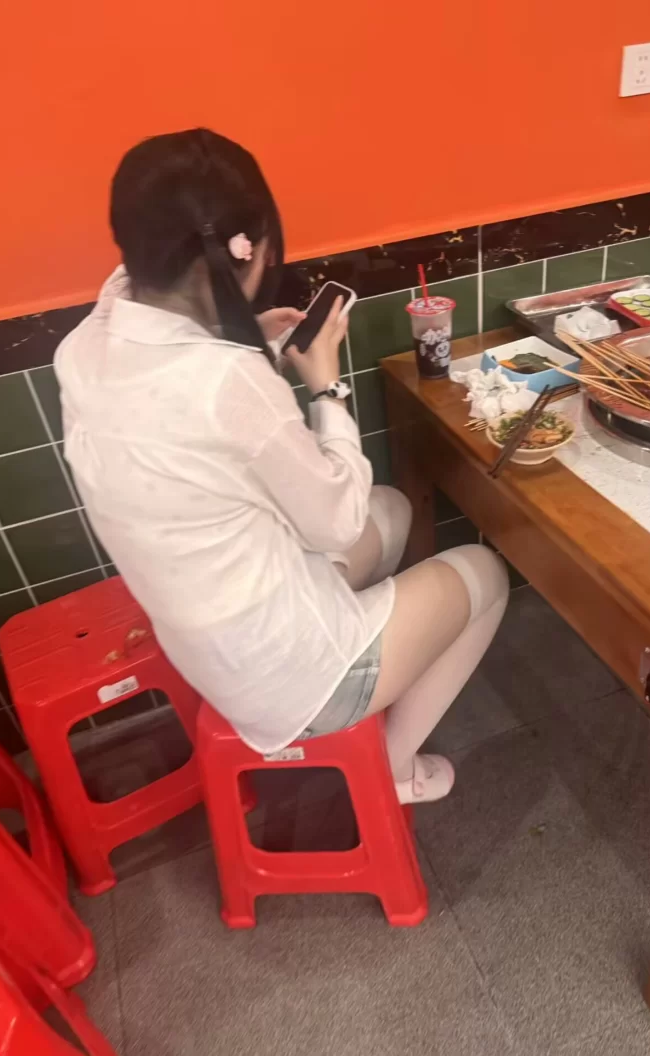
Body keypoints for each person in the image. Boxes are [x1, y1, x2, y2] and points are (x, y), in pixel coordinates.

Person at [56, 128, 509, 804]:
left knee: (392, 507)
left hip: (210, 640)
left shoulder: (86, 343)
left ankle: (391, 643)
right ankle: (391, 769)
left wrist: (256, 343)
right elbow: (336, 522)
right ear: (243, 252)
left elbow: (193, 414)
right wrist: (327, 387)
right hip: (288, 676)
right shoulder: (226, 380)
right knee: (485, 572)